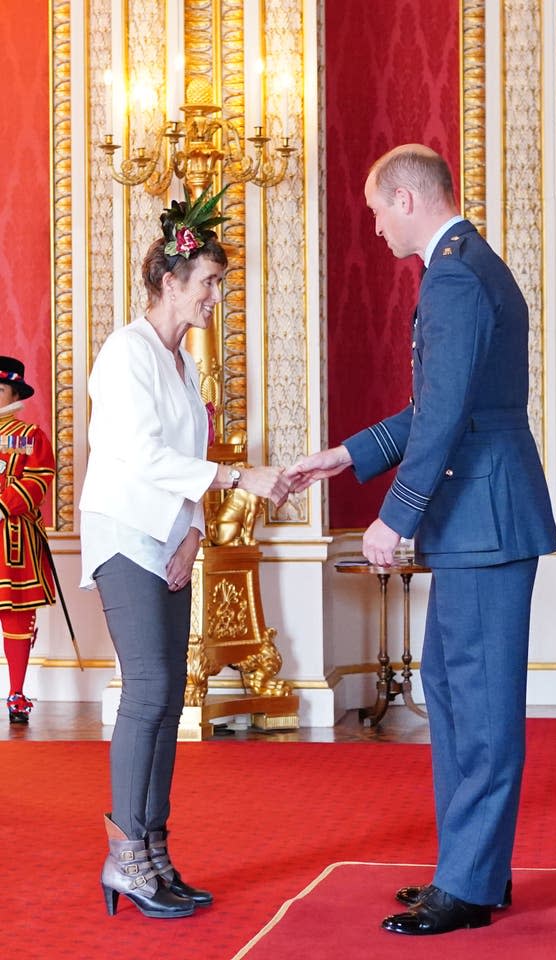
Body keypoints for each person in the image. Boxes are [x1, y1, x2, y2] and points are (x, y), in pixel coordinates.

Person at [287, 144, 556, 936]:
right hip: (480, 515)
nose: (373, 228)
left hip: (482, 517)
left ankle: (469, 887)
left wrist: (393, 516)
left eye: (376, 211)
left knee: (476, 703)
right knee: (451, 688)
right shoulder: (470, 265)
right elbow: (438, 405)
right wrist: (347, 454)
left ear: (408, 200)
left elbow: (444, 416)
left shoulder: (452, 275)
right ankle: (471, 869)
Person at [79, 188, 290, 920]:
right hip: (123, 534)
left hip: (168, 539)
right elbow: (136, 456)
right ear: (168, 282)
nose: (214, 297)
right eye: (207, 284)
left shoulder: (183, 365)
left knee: (169, 700)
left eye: (219, 286)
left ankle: (154, 852)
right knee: (148, 689)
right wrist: (238, 477)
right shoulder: (125, 354)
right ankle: (122, 855)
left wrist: (195, 532)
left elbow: (186, 456)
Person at [0, 356, 56, 724]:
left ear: (14, 392)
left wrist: (5, 504)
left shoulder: (27, 435)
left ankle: (17, 692)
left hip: (11, 539)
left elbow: (39, 478)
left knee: (16, 616)